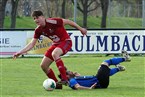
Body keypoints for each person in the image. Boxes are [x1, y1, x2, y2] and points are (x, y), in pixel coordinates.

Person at [13, 10, 87, 89]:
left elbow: (68, 21)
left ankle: (64, 78)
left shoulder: (53, 21)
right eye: (34, 18)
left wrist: (81, 29)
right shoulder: (38, 30)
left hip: (66, 42)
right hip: (56, 44)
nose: (36, 20)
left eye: (37, 17)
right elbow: (32, 44)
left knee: (55, 53)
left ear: (43, 17)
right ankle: (57, 84)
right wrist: (20, 52)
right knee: (43, 65)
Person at [59, 50, 131, 90]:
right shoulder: (72, 80)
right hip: (99, 81)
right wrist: (89, 88)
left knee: (103, 70)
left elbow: (83, 82)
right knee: (105, 63)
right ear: (67, 76)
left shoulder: (74, 79)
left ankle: (119, 68)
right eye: (68, 72)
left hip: (101, 82)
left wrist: (79, 76)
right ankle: (125, 58)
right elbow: (77, 87)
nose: (70, 71)